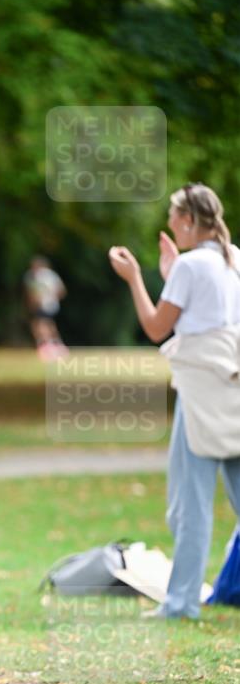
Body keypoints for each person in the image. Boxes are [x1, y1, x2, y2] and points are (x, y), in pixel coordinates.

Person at [109, 183, 240, 619]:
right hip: (233, 387)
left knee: (191, 503)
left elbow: (155, 327)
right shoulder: (232, 258)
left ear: (187, 221)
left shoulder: (191, 265)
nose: (168, 221)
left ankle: (182, 602)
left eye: (172, 214)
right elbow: (211, 314)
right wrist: (172, 273)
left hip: (201, 392)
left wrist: (134, 279)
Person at [23, 256, 68, 360]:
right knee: (46, 324)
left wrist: (44, 298)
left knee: (41, 325)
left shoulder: (35, 276)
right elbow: (61, 291)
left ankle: (46, 346)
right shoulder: (51, 275)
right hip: (51, 305)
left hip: (42, 304)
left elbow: (32, 293)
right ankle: (56, 345)